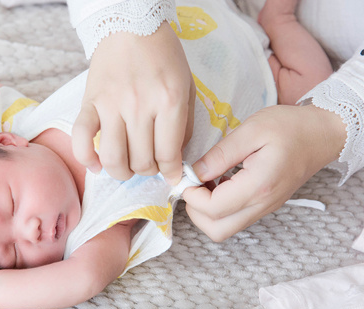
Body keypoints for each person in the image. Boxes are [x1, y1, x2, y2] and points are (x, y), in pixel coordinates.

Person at [0, 0, 332, 309]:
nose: (31, 232)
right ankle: (279, 19)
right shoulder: (97, 225)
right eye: (12, 255)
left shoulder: (25, 125)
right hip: (263, 85)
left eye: (12, 204)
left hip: (169, 19)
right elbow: (84, 279)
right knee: (314, 82)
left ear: (5, 142)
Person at [70, 0, 363, 242]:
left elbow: (83, 277)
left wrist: (331, 125)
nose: (42, 235)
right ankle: (279, 19)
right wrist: (124, 21)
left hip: (214, 22)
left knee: (310, 85)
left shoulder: (53, 138)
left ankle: (279, 18)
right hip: (260, 66)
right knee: (307, 84)